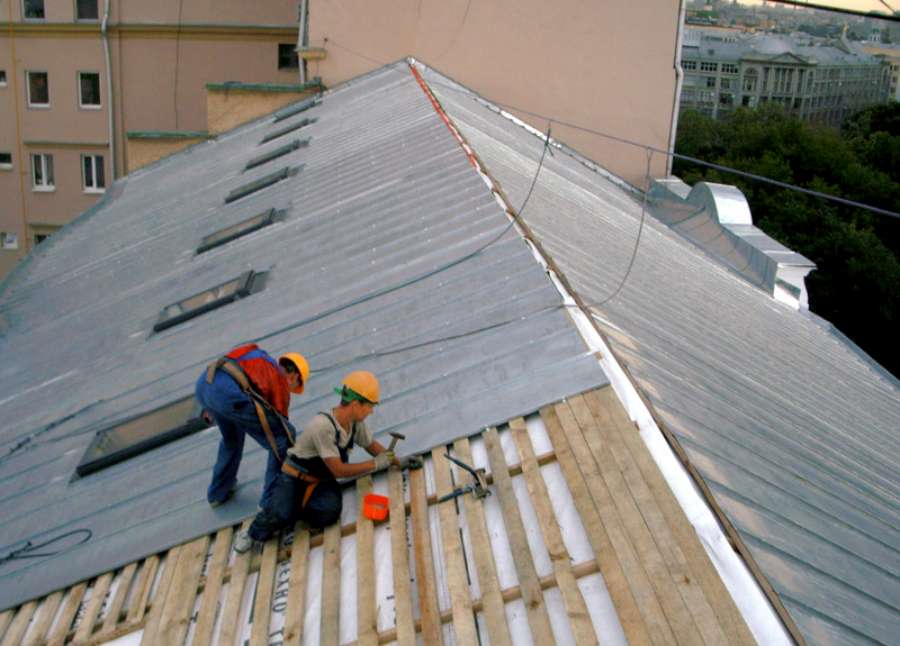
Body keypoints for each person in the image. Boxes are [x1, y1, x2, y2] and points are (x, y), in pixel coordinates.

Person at [234, 370, 397, 552]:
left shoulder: (355, 424)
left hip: (319, 480)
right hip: (294, 477)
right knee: (279, 514)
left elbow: (372, 446)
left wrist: (396, 460)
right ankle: (253, 531)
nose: (371, 411)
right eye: (370, 406)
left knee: (330, 512)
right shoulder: (323, 426)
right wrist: (375, 464)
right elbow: (338, 470)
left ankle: (295, 513)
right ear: (355, 404)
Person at [195, 343, 309, 509]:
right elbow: (280, 424)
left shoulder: (260, 360)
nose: (290, 390)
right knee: (281, 440)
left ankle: (218, 493)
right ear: (294, 377)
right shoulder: (277, 378)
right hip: (227, 394)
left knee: (232, 438)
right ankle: (270, 504)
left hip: (205, 386)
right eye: (294, 387)